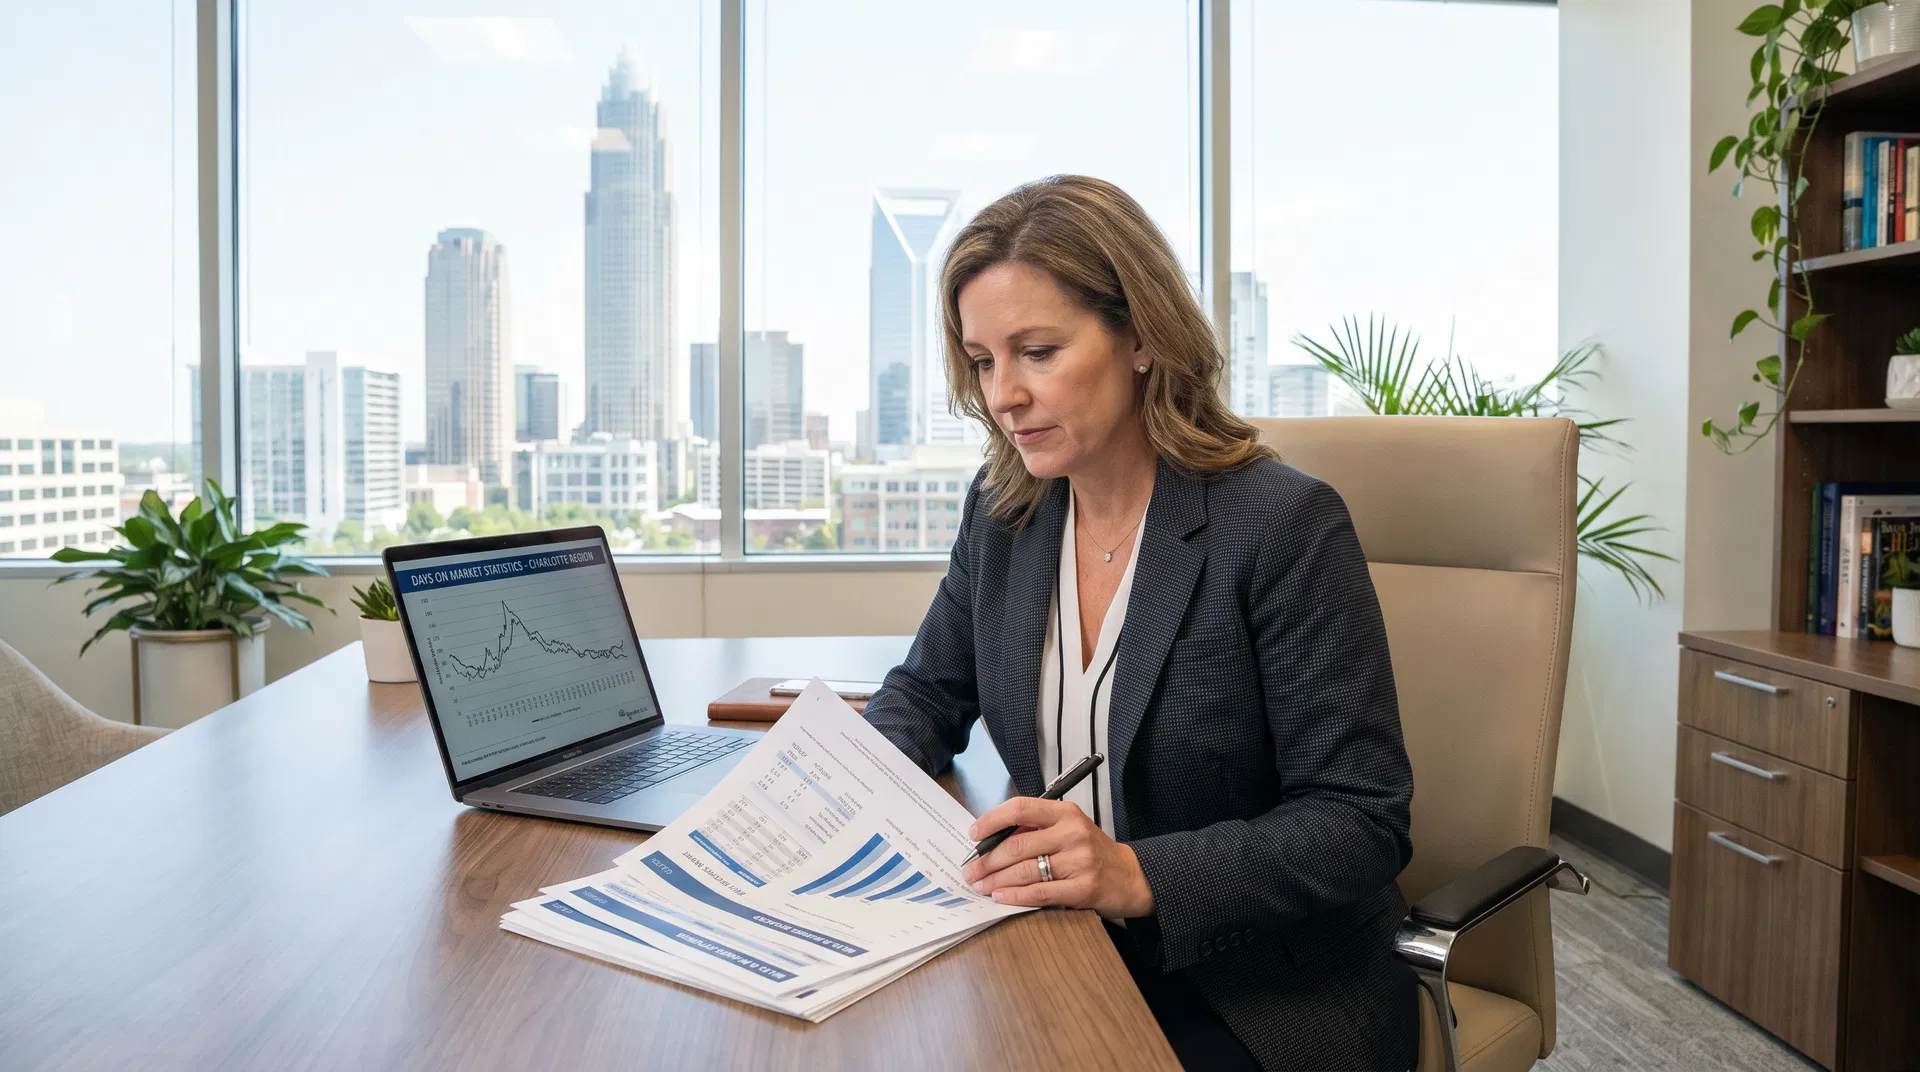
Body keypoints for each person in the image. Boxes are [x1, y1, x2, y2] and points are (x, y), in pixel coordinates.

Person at [859, 175, 1418, 1072]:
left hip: (1252, 983)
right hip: (1055, 940)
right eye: (983, 361)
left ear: (1144, 336)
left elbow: (1359, 819)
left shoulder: (1278, 526)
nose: (1003, 394)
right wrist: (838, 783)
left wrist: (1134, 875)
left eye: (1037, 351)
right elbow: (926, 691)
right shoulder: (1007, 512)